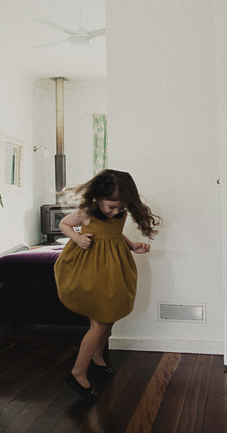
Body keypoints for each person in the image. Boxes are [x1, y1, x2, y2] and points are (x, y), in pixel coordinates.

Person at [54, 169, 161, 400]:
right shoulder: (87, 212)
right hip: (90, 269)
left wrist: (132, 245)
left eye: (120, 207)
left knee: (109, 317)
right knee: (99, 324)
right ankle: (77, 373)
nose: (116, 211)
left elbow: (114, 234)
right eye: (111, 206)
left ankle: (97, 358)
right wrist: (77, 237)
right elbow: (64, 224)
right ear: (97, 198)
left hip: (113, 269)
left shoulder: (119, 214)